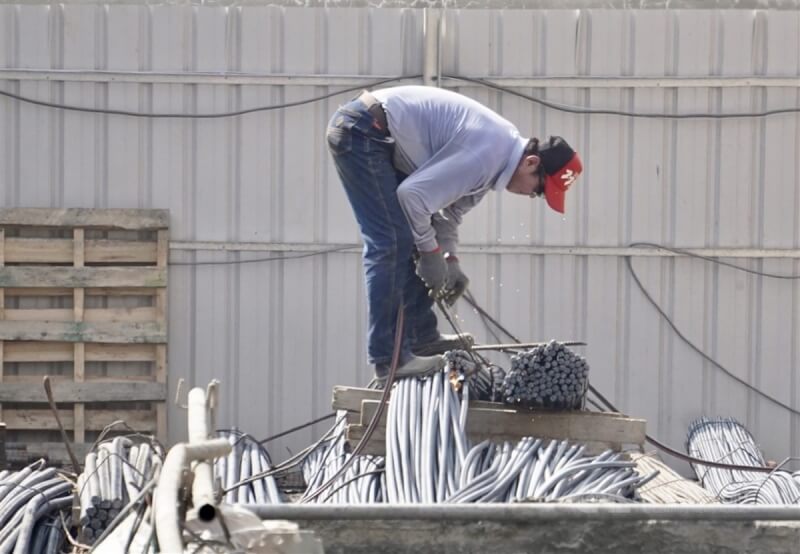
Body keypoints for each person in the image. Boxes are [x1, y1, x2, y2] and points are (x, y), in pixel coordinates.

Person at [326, 85, 583, 382]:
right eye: (538, 190)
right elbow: (412, 197)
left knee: (414, 236)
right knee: (391, 243)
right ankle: (388, 360)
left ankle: (422, 337)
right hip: (362, 131)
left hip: (375, 132)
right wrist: (429, 253)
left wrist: (449, 258)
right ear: (531, 163)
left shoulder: (497, 158)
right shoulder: (485, 156)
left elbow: (448, 215)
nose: (532, 196)